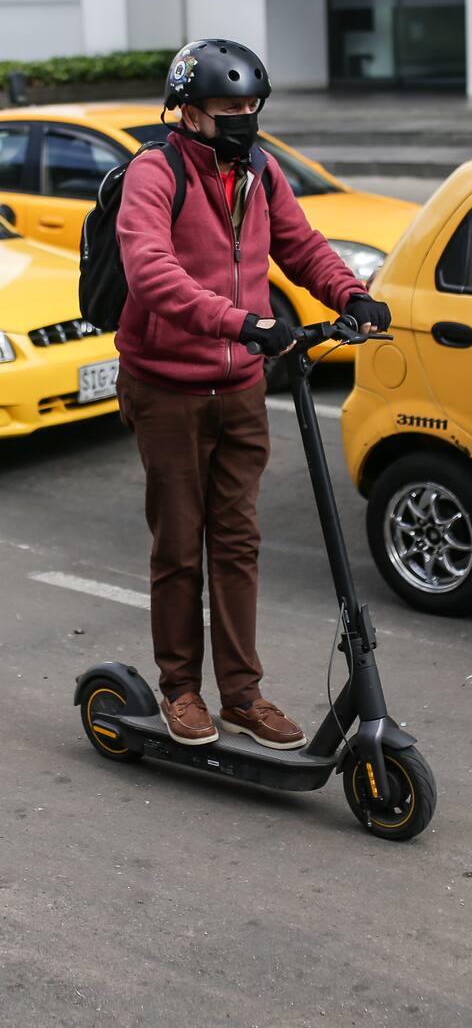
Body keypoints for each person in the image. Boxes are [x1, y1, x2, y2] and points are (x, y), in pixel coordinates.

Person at [114, 38, 392, 749]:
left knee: (237, 544)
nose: (243, 119)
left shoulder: (259, 171)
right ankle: (180, 690)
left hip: (240, 386)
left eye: (250, 107)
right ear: (188, 112)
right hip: (167, 388)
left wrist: (351, 294)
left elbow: (301, 246)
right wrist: (241, 321)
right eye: (226, 107)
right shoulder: (155, 173)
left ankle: (241, 694)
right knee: (180, 544)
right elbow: (150, 272)